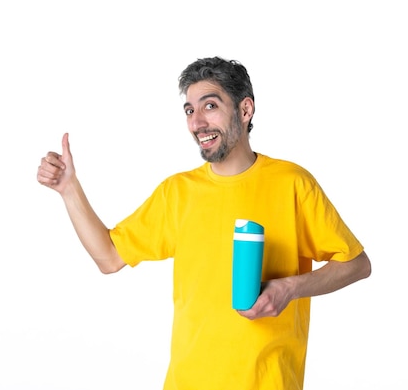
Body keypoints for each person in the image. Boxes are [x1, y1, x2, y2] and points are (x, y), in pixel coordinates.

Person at [36, 56, 371, 390]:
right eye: (189, 111)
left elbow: (357, 264)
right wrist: (69, 190)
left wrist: (291, 287)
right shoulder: (178, 193)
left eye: (209, 106)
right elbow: (108, 257)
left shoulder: (292, 183)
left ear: (245, 110)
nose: (197, 123)